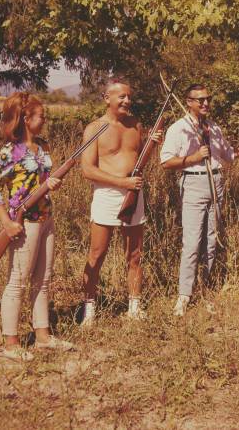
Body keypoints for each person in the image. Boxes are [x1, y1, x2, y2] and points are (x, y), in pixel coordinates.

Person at [160, 83, 239, 316]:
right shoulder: (179, 128)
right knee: (192, 241)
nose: (206, 103)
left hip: (216, 182)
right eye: (200, 100)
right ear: (188, 102)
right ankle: (184, 296)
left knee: (211, 240)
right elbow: (166, 161)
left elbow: (229, 155)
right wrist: (193, 157)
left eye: (208, 99)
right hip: (193, 182)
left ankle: (205, 289)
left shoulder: (214, 128)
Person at [0, 92, 73, 362]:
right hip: (24, 223)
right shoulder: (10, 151)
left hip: (46, 218)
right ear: (26, 118)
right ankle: (10, 343)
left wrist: (52, 184)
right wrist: (7, 222)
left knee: (43, 279)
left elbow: (45, 180)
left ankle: (43, 337)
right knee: (18, 282)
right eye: (40, 115)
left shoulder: (43, 146)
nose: (44, 119)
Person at [80, 77, 162, 325]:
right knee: (97, 253)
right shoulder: (95, 128)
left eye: (129, 96)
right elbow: (88, 171)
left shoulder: (136, 125)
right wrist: (121, 183)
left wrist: (153, 145)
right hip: (107, 195)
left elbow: (140, 161)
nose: (127, 100)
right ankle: (89, 309)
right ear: (107, 98)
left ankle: (134, 307)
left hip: (134, 194)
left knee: (135, 255)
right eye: (122, 96)